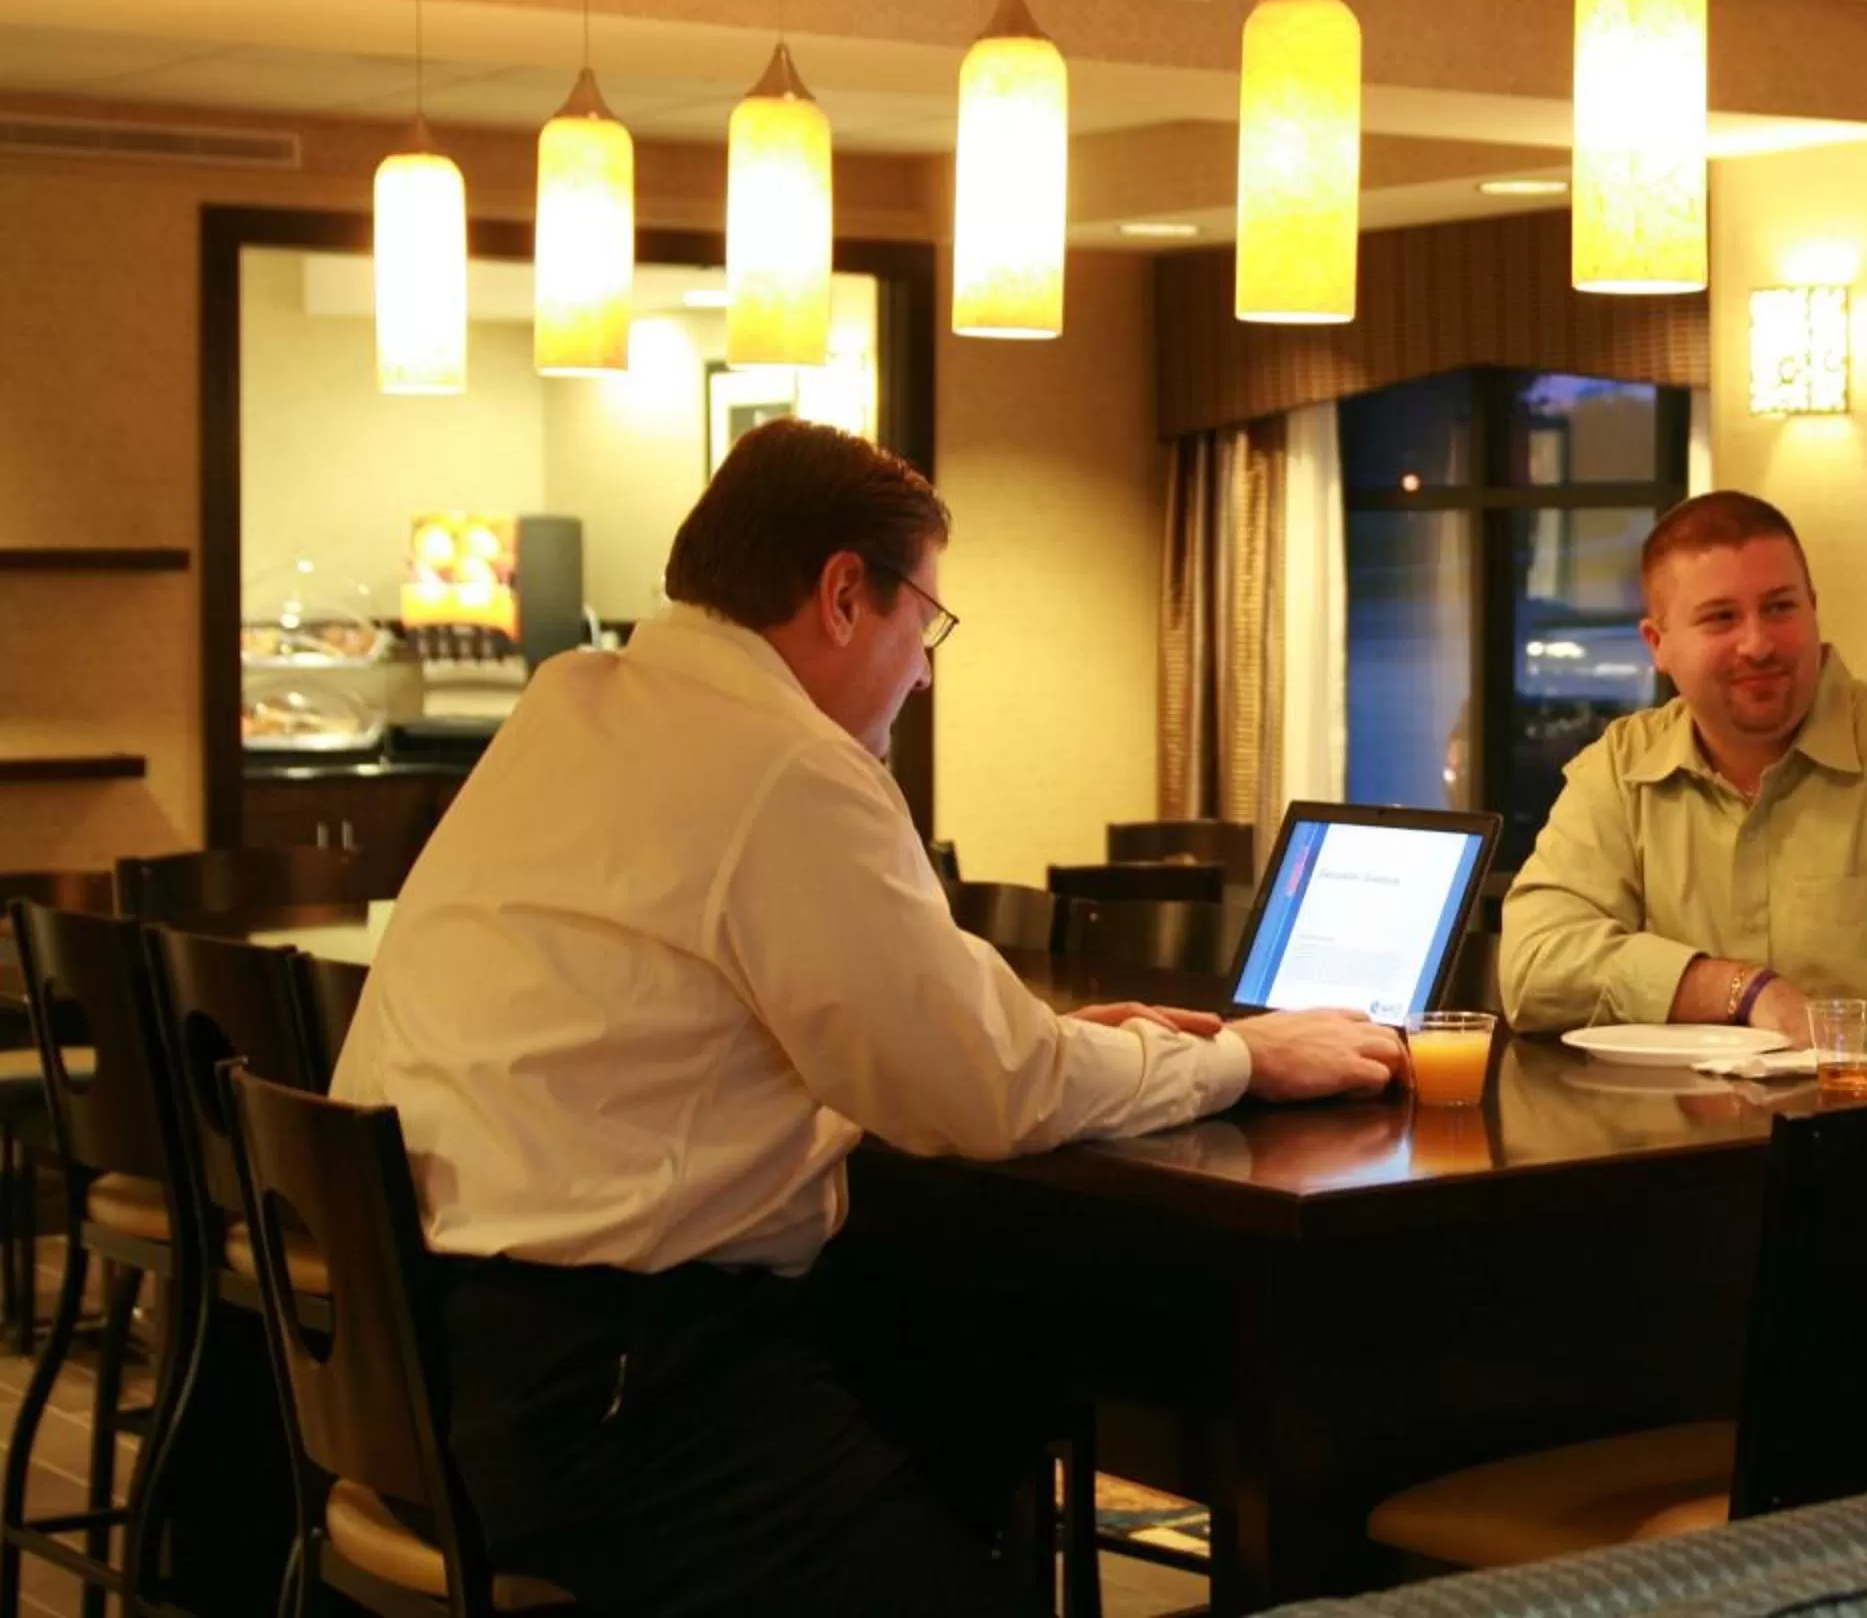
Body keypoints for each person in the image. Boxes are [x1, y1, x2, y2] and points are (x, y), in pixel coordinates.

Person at [332, 419, 1403, 1616]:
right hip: (612, 1402)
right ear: (846, 592)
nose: (927, 667)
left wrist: (1035, 1048)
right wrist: (1238, 1055)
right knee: (984, 1376)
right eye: (926, 623)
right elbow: (989, 1093)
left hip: (429, 1374)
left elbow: (797, 1027)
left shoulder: (577, 700)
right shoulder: (783, 762)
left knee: (969, 1358)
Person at [1500, 491, 1867, 1276]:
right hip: (1699, 1210)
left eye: (1780, 607)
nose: (1759, 642)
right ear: (1658, 643)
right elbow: (1535, 963)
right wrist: (1742, 990)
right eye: (1720, 618)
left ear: (1814, 609)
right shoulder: (1619, 772)